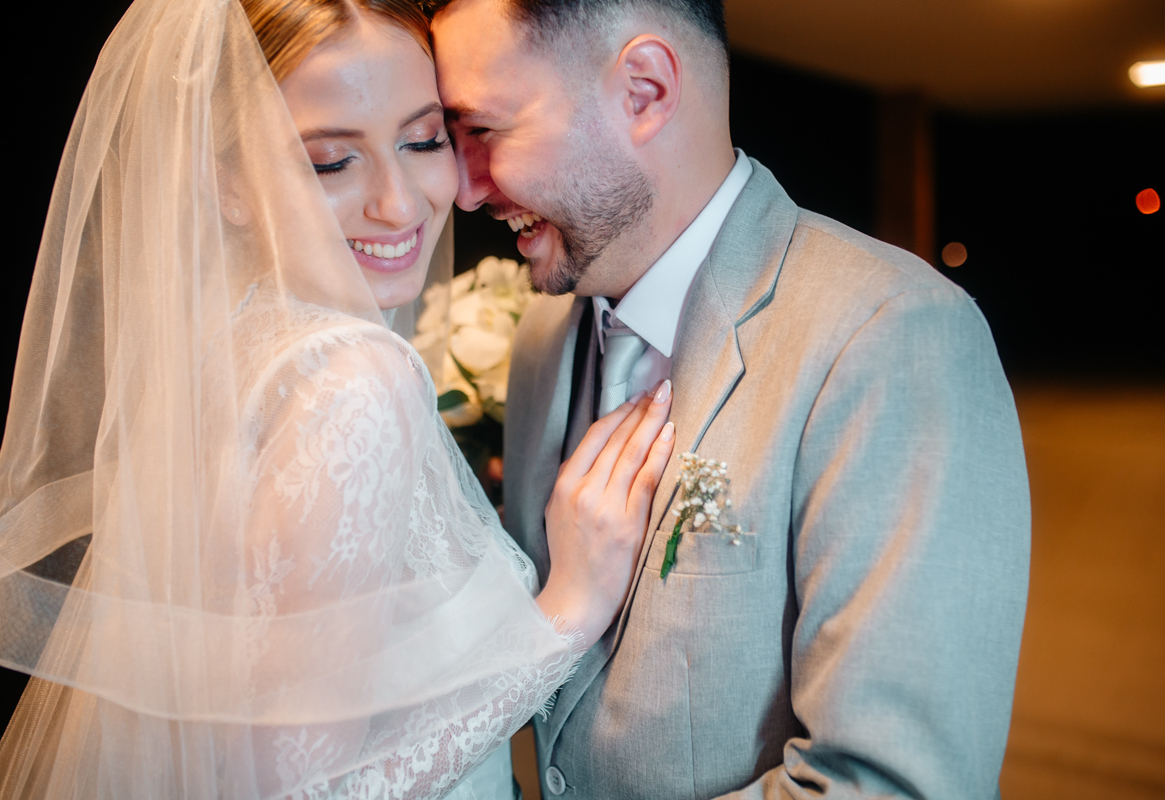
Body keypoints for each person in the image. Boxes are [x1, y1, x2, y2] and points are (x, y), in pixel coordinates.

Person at [0, 0, 675, 797]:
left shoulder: (229, 349)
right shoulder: (356, 380)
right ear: (227, 185)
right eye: (330, 162)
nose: (399, 202)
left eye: (423, 140)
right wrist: (569, 611)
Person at [429, 0, 1032, 797]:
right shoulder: (543, 336)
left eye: (483, 130)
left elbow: (892, 785)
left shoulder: (892, 337)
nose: (465, 188)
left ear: (644, 91)